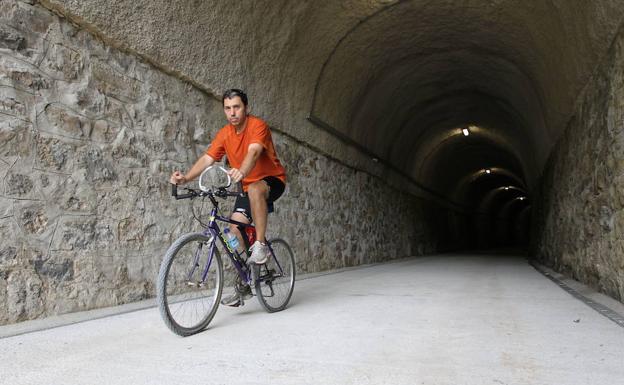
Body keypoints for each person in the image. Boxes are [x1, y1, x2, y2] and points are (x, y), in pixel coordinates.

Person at [169, 89, 286, 306]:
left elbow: (254, 152)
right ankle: (245, 284)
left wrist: (241, 171)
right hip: (247, 186)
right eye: (228, 108)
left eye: (237, 107)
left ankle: (260, 244)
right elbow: (207, 159)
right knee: (234, 233)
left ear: (246, 108)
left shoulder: (257, 126)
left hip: (272, 181)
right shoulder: (225, 134)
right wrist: (186, 178)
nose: (232, 112)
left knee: (254, 189)